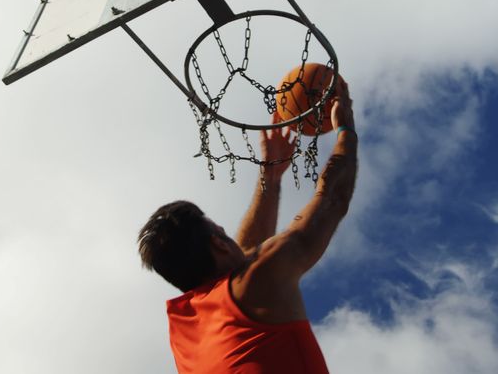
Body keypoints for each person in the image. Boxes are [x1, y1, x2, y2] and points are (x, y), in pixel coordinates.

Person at [138, 79, 358, 373]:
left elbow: (242, 258)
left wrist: (272, 175)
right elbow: (332, 200)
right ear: (217, 243)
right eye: (222, 233)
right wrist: (345, 129)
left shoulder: (188, 328)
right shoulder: (256, 282)